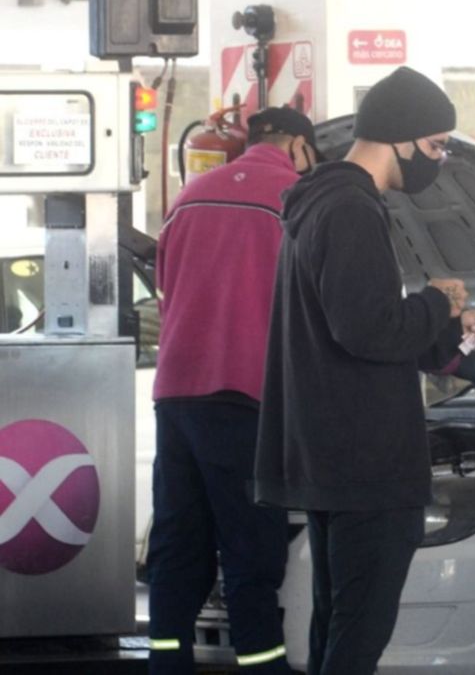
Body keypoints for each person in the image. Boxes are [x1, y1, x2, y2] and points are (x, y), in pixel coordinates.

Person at [254, 67, 475, 675]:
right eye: (437, 146)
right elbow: (366, 328)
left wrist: (453, 326)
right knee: (358, 634)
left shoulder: (326, 203)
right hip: (363, 460)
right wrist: (438, 300)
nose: (439, 160)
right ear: (402, 136)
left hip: (333, 454)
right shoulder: (349, 208)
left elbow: (365, 323)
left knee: (341, 625)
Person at [146, 106, 319, 674]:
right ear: (297, 146)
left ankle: (166, 663)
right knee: (251, 551)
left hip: (177, 394)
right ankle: (262, 665)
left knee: (178, 541)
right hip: (247, 396)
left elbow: (166, 293)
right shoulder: (296, 200)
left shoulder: (189, 198)